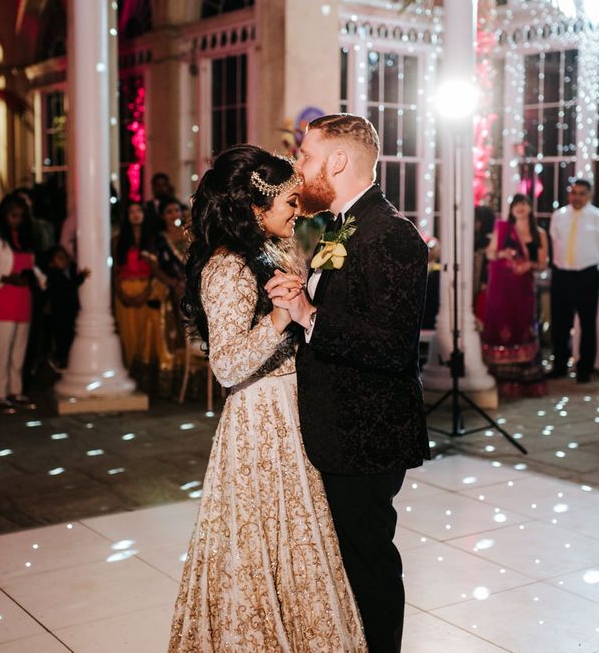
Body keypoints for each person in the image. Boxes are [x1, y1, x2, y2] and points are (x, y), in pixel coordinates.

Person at [169, 145, 366, 651]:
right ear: (257, 209)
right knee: (260, 543)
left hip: (290, 408)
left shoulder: (272, 252)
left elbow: (316, 277)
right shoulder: (227, 269)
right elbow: (228, 365)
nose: (296, 213)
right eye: (289, 204)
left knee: (297, 539)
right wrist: (279, 318)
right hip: (258, 418)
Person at [266, 113, 429, 653]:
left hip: (367, 434)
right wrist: (299, 302)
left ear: (338, 161)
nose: (298, 167)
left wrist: (311, 314)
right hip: (339, 430)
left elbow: (391, 347)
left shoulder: (393, 235)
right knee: (347, 564)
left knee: (369, 562)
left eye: (306, 156)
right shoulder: (338, 227)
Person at [0, 194, 44, 414]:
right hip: (0, 296)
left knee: (19, 348)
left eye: (21, 217)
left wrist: (40, 279)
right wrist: (7, 278)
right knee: (2, 347)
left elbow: (31, 267)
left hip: (22, 297)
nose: (16, 220)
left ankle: (16, 391)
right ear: (4, 214)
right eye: (13, 215)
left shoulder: (23, 239)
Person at [481, 193, 548, 398]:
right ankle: (503, 381)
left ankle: (526, 382)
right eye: (516, 205)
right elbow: (490, 253)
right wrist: (502, 255)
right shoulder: (503, 229)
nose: (520, 208)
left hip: (524, 290)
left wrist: (529, 264)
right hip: (502, 290)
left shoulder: (539, 234)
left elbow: (543, 264)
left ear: (529, 208)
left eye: (524, 204)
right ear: (511, 210)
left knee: (524, 329)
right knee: (503, 329)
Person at [548, 178, 599, 383]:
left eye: (581, 193)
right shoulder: (558, 216)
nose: (577, 197)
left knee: (587, 324)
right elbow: (554, 241)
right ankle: (559, 364)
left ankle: (585, 369)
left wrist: (592, 268)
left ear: (590, 195)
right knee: (559, 323)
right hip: (561, 275)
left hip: (587, 276)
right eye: (574, 193)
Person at [112, 200, 158, 385]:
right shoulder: (118, 240)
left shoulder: (153, 239)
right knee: (128, 334)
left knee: (145, 335)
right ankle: (129, 374)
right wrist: (120, 293)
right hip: (125, 289)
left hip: (146, 289)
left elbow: (156, 270)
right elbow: (115, 269)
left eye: (139, 210)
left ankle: (144, 378)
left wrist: (146, 292)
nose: (135, 214)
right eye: (131, 211)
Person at [153, 196, 191, 396]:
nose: (174, 215)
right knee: (176, 333)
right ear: (162, 216)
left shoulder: (189, 234)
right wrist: (174, 283)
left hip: (192, 287)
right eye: (169, 212)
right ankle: (176, 382)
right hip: (171, 290)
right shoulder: (161, 239)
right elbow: (156, 266)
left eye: (176, 210)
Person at [44, 245, 89, 368]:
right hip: (61, 313)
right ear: (51, 263)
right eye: (59, 258)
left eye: (65, 256)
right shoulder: (54, 276)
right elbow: (68, 287)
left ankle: (66, 361)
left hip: (70, 311)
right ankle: (59, 360)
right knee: (63, 338)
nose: (64, 259)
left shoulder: (69, 271)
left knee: (68, 337)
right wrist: (81, 278)